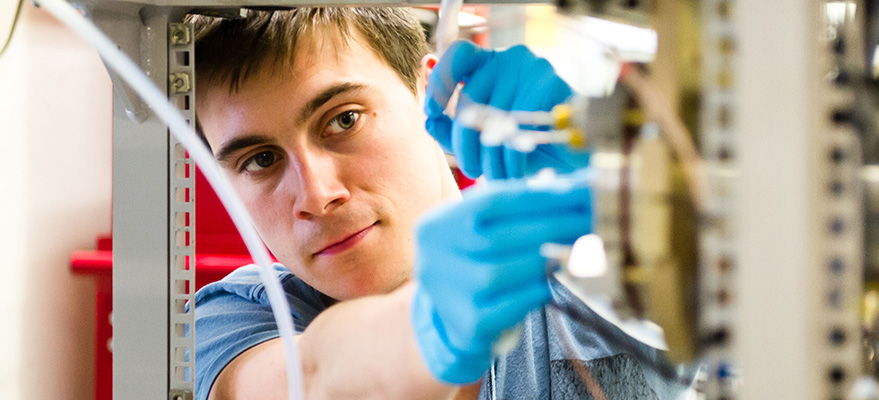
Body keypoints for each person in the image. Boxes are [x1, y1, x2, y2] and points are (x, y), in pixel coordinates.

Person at [185, 7, 687, 400]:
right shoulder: (232, 319)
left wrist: (624, 176)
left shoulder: (583, 266)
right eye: (261, 159)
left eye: (344, 120)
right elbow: (315, 381)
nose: (317, 195)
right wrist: (429, 326)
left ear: (431, 94)